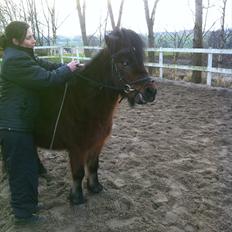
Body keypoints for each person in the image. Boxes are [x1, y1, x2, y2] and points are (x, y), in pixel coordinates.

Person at [0, 21, 79, 224]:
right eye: (29, 37)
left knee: (28, 170)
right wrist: (66, 70)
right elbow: (46, 79)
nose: (34, 40)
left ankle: (29, 206)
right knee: (22, 171)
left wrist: (70, 67)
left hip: (21, 120)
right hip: (14, 125)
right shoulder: (15, 62)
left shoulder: (23, 55)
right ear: (16, 40)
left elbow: (48, 66)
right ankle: (23, 216)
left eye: (33, 35)